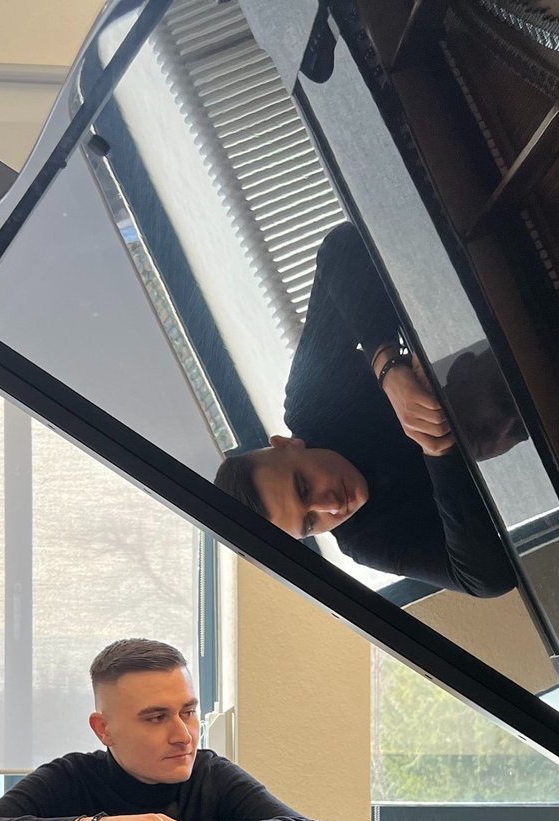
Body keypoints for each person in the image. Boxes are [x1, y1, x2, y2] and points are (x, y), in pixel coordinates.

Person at [213, 222, 518, 598]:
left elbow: (344, 246)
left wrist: (388, 369)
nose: (330, 506)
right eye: (310, 523)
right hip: (544, 425)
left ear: (286, 445)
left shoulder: (313, 401)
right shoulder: (366, 540)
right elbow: (488, 579)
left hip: (505, 316)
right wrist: (439, 452)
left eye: (304, 486)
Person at [0, 638, 336, 821]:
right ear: (103, 730)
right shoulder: (70, 776)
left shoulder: (211, 773)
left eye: (188, 712)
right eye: (157, 718)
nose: (184, 735)